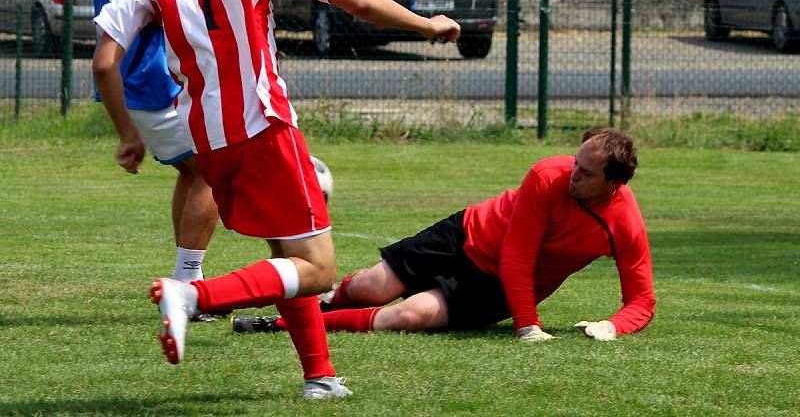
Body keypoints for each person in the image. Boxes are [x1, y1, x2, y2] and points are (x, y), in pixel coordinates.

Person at [91, 0, 461, 400]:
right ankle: (193, 296)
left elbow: (102, 62)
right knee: (318, 269)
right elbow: (355, 1)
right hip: (264, 128)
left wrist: (127, 135)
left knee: (288, 253)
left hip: (209, 140)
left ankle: (319, 376)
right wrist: (427, 26)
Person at [232, 127, 656, 342]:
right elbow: (518, 254)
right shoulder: (548, 175)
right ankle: (326, 301)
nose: (572, 174)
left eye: (585, 173)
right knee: (367, 287)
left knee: (407, 317)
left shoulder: (623, 225)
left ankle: (282, 324)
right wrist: (528, 326)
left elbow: (642, 299)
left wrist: (614, 326)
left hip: (494, 285)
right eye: (575, 161)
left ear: (613, 183)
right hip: (466, 233)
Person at [87, 0, 219, 313]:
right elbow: (172, 0)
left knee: (191, 170)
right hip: (153, 77)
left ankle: (190, 278)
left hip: (126, 80)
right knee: (213, 169)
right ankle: (189, 289)